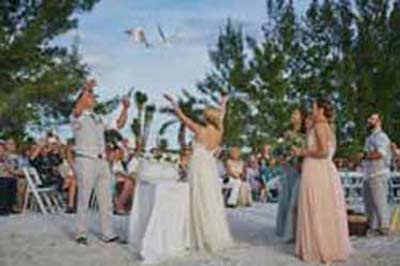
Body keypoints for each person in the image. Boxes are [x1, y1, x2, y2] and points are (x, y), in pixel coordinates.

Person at [164, 93, 233, 252]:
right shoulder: (219, 132)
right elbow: (221, 118)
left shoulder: (199, 129)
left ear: (206, 118)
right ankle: (212, 233)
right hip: (210, 166)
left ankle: (198, 234)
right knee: (210, 198)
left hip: (198, 166)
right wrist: (224, 103)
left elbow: (182, 117)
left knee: (197, 197)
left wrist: (174, 102)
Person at [72, 79, 131, 245]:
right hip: (86, 160)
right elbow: (78, 107)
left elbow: (119, 125)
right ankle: (81, 233)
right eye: (91, 97)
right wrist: (86, 89)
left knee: (105, 199)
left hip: (102, 161)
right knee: (84, 197)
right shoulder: (77, 117)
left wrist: (125, 108)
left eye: (93, 96)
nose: (94, 98)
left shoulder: (99, 118)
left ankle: (108, 233)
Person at [293, 99, 351, 264]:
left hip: (316, 168)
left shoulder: (319, 126)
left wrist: (302, 152)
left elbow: (324, 151)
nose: (312, 110)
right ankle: (325, 244)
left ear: (321, 110)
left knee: (315, 206)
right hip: (324, 169)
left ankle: (317, 247)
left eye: (314, 107)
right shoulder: (327, 126)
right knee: (323, 207)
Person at [276, 109, 304, 242]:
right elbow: (280, 150)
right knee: (285, 198)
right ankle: (284, 229)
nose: (292, 116)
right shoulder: (287, 133)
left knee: (295, 199)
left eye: (295, 114)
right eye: (292, 113)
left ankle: (294, 231)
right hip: (286, 168)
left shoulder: (305, 134)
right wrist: (281, 158)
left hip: (298, 169)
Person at [362, 113, 392, 236]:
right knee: (370, 203)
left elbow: (381, 153)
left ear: (379, 121)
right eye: (369, 118)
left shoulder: (382, 137)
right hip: (369, 174)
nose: (369, 121)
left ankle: (384, 226)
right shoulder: (369, 138)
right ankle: (373, 227)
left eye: (372, 119)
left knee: (379, 202)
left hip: (378, 173)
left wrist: (365, 156)